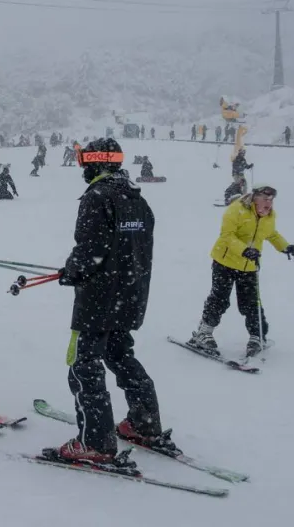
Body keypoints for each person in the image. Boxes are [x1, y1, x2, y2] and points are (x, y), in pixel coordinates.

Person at [51, 138, 172, 465]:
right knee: (120, 355)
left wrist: (73, 271)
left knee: (84, 364)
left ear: (93, 163)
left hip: (99, 298)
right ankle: (144, 423)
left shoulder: (98, 197)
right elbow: (132, 248)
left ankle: (95, 442)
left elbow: (91, 249)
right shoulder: (136, 199)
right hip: (130, 295)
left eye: (83, 162)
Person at [188, 185, 294, 357]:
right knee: (219, 299)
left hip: (249, 266)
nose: (269, 203)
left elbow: (271, 234)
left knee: (251, 302)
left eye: (271, 200)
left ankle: (258, 336)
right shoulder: (236, 210)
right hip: (225, 262)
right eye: (265, 199)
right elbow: (227, 236)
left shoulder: (269, 216)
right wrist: (244, 250)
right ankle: (203, 333)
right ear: (254, 197)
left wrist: (286, 247)